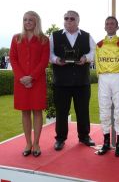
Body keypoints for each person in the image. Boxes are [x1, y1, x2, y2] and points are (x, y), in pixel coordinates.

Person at [50, 10, 96, 151]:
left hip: (81, 81)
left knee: (83, 110)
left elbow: (95, 52)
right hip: (61, 81)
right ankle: (60, 139)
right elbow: (48, 53)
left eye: (72, 18)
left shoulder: (87, 36)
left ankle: (84, 136)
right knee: (61, 111)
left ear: (78, 21)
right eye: (66, 18)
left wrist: (86, 58)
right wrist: (56, 60)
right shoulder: (54, 36)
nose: (69, 21)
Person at [10, 11, 50, 157]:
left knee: (37, 111)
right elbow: (13, 59)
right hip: (20, 83)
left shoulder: (44, 40)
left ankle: (37, 143)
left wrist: (31, 77)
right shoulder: (16, 38)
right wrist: (22, 77)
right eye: (25, 19)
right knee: (25, 112)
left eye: (30, 20)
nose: (27, 22)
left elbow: (44, 61)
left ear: (36, 22)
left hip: (37, 82)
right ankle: (28, 143)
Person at [95, 16, 119, 157]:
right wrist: (100, 76)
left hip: (118, 76)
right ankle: (105, 142)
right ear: (104, 27)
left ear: (117, 27)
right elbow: (97, 64)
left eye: (112, 24)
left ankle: (118, 144)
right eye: (107, 24)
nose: (110, 26)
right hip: (104, 77)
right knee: (103, 108)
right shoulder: (99, 45)